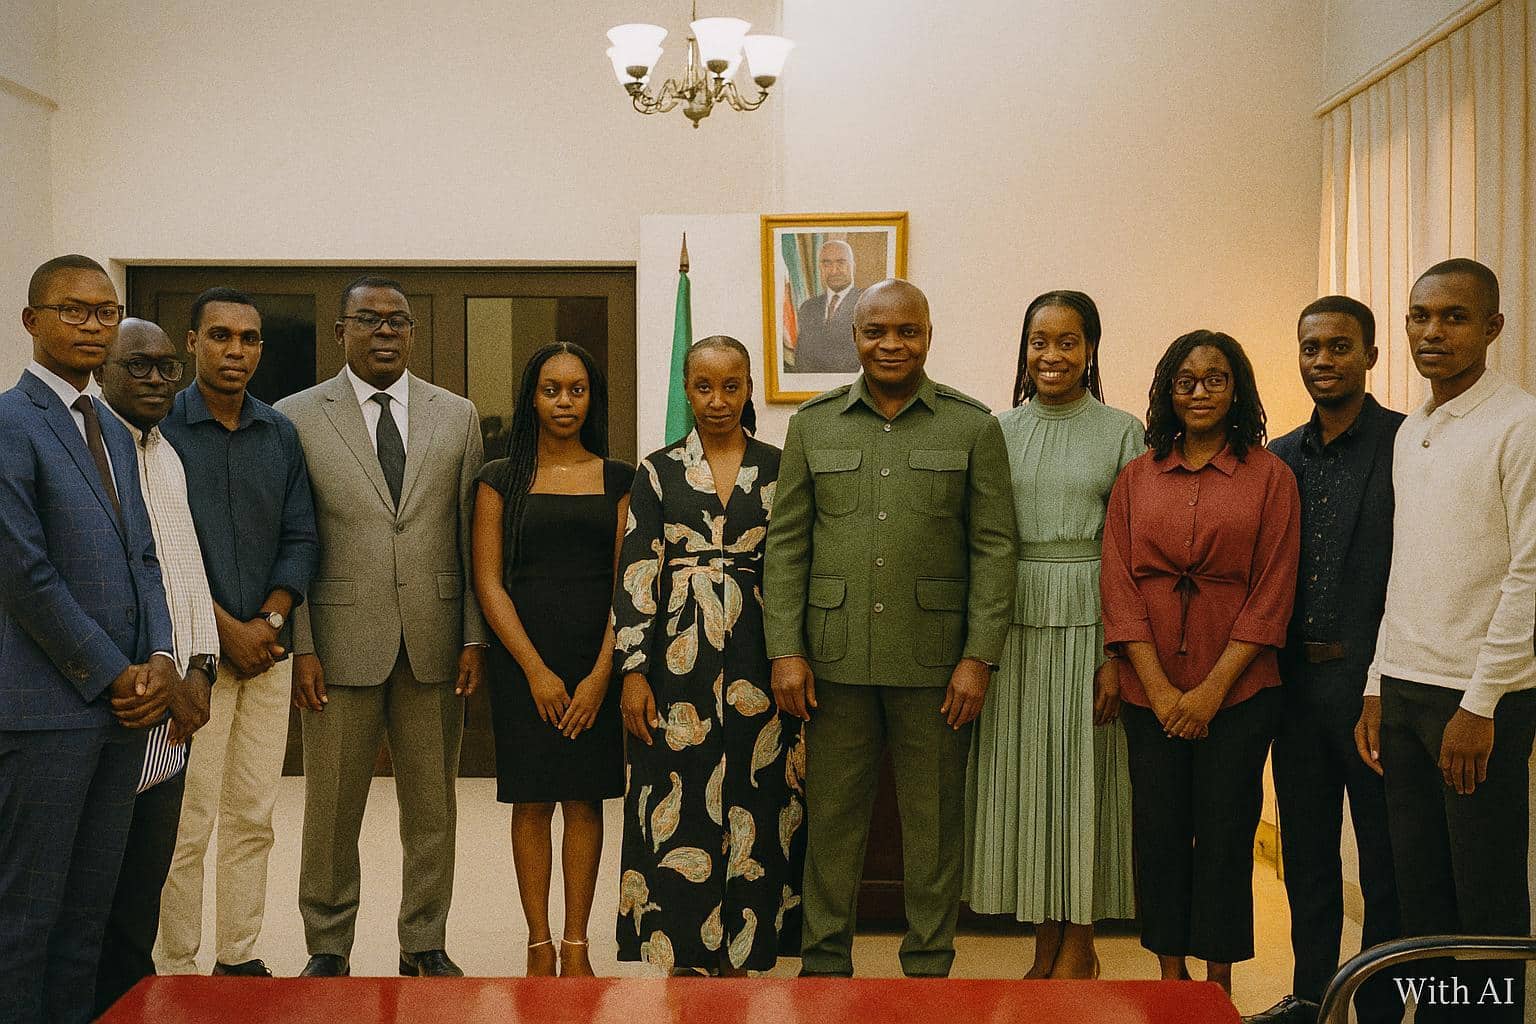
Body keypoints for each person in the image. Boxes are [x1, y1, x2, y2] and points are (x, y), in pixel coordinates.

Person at [764, 278, 1017, 977]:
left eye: (907, 331)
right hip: (833, 662)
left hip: (936, 665)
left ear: (928, 336)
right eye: (875, 331)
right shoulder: (813, 424)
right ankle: (824, 964)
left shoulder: (972, 426)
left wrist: (979, 658)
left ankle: (928, 966)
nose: (891, 344)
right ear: (854, 337)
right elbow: (787, 546)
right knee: (832, 825)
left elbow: (995, 548)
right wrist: (785, 649)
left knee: (933, 827)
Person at [276, 276, 487, 978]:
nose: (385, 331)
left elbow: (469, 535)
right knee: (332, 809)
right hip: (337, 645)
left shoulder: (456, 415)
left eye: (398, 320)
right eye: (369, 319)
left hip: (435, 638)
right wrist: (301, 644)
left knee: (433, 808)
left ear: (413, 333)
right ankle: (327, 946)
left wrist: (472, 634)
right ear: (341, 331)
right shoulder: (297, 416)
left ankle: (423, 942)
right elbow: (294, 537)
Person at [0, 255, 183, 1024]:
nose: (91, 325)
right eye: (72, 310)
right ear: (31, 321)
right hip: (47, 713)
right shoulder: (10, 423)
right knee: (26, 922)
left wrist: (163, 660)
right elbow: (23, 571)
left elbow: (145, 556)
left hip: (124, 715)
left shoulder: (111, 426)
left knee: (88, 922)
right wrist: (114, 671)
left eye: (105, 311)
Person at [1357, 259, 1536, 1024]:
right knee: (1420, 897)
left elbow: (1529, 575)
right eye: (1420, 315)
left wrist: (1481, 703)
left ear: (1493, 327)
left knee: (1484, 901)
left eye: (1454, 317)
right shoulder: (1414, 429)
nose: (1432, 331)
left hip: (1478, 702)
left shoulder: (1520, 425)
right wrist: (1377, 680)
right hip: (1404, 690)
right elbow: (1407, 566)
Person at [1099, 329, 1299, 996]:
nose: (1200, 392)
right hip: (1146, 690)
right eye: (1186, 381)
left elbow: (1273, 591)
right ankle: (1169, 978)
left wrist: (1211, 691)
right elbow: (1118, 586)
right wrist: (1160, 691)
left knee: (1225, 834)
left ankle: (1217, 983)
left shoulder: (1271, 477)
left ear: (1237, 389)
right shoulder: (1136, 478)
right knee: (1159, 833)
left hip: (1240, 692)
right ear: (1168, 392)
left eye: (1216, 379)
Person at [964, 291, 1141, 979]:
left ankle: (1082, 943)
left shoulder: (1122, 431)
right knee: (1029, 785)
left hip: (1093, 621)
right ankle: (1045, 945)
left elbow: (1131, 552)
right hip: (1013, 625)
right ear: (1025, 348)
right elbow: (983, 539)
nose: (1053, 355)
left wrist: (1116, 653)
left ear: (1090, 349)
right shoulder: (997, 430)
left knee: (1084, 784)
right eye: (1040, 341)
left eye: (1068, 342)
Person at [614, 335, 805, 976]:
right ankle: (680, 950)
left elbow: (798, 565)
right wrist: (633, 672)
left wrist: (796, 655)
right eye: (704, 386)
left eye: (731, 386)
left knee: (760, 795)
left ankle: (749, 950)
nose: (718, 400)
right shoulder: (657, 470)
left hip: (762, 655)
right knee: (679, 799)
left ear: (749, 388)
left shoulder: (781, 467)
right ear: (686, 390)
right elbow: (637, 575)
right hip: (676, 664)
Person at [154, 288, 319, 977]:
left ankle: (238, 954)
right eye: (220, 335)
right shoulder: (159, 428)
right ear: (192, 341)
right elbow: (161, 548)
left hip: (267, 655)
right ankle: (177, 962)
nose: (236, 350)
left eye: (249, 339)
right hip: (194, 659)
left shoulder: (279, 433)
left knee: (254, 814)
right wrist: (226, 631)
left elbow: (301, 536)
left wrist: (270, 620)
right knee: (188, 820)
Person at [1247, 297, 1404, 1024]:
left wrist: (1381, 682)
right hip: (1295, 688)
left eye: (1339, 347)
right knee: (1307, 859)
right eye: (1311, 348)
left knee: (1384, 864)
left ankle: (1377, 1008)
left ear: (1370, 354)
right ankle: (1313, 998)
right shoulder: (1279, 457)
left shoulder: (1406, 443)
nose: (1323, 361)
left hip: (1373, 688)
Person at [471, 342, 630, 977]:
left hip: (596, 663)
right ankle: (538, 945)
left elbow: (627, 587)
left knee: (585, 801)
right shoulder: (499, 478)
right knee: (533, 801)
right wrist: (535, 671)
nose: (565, 402)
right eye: (551, 389)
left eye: (577, 390)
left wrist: (601, 675)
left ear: (593, 399)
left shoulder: (619, 478)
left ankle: (576, 945)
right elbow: (489, 584)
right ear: (531, 398)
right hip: (523, 664)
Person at [91, 318, 221, 1015]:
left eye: (168, 367)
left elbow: (185, 572)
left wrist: (200, 669)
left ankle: (129, 1004)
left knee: (142, 889)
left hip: (173, 706)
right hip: (117, 697)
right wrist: (150, 674)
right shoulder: (87, 449)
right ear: (102, 371)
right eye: (137, 366)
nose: (157, 380)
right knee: (91, 896)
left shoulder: (166, 452)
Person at [790, 240, 862, 374]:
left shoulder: (867, 304)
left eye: (841, 263)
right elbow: (801, 359)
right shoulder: (808, 308)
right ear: (820, 268)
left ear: (853, 266)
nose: (834, 270)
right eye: (827, 264)